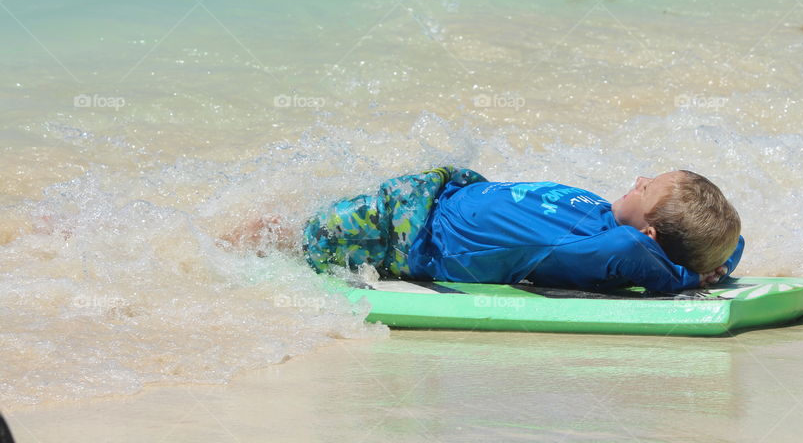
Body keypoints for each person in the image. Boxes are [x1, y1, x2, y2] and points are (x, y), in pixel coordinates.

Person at [227, 166, 744, 293]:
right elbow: (733, 242)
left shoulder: (604, 248)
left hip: (403, 234)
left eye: (645, 189)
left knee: (290, 239)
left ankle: (217, 254)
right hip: (434, 194)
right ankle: (232, 243)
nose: (637, 180)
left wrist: (688, 278)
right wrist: (714, 259)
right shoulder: (614, 224)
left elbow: (636, 252)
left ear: (649, 237)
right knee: (288, 227)